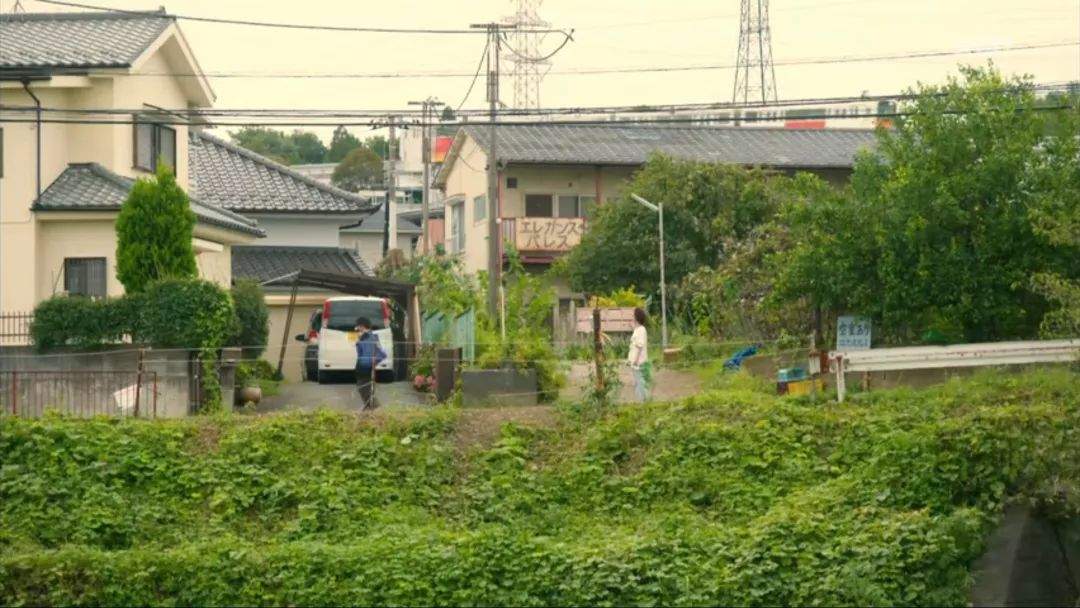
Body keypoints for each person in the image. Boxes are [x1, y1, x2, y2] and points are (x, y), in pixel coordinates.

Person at [354, 317, 387, 410]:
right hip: (361, 367)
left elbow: (383, 354)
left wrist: (372, 361)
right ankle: (369, 410)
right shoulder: (363, 337)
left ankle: (377, 410)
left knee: (365, 390)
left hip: (366, 368)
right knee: (363, 389)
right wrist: (359, 342)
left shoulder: (371, 337)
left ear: (362, 326)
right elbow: (360, 354)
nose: (357, 329)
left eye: (358, 327)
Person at [627, 307, 652, 402]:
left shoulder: (641, 330)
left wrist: (636, 361)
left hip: (639, 363)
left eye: (633, 315)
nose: (631, 316)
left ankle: (643, 403)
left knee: (640, 383)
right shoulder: (637, 329)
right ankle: (641, 402)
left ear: (637, 317)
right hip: (635, 362)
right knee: (637, 383)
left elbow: (640, 346)